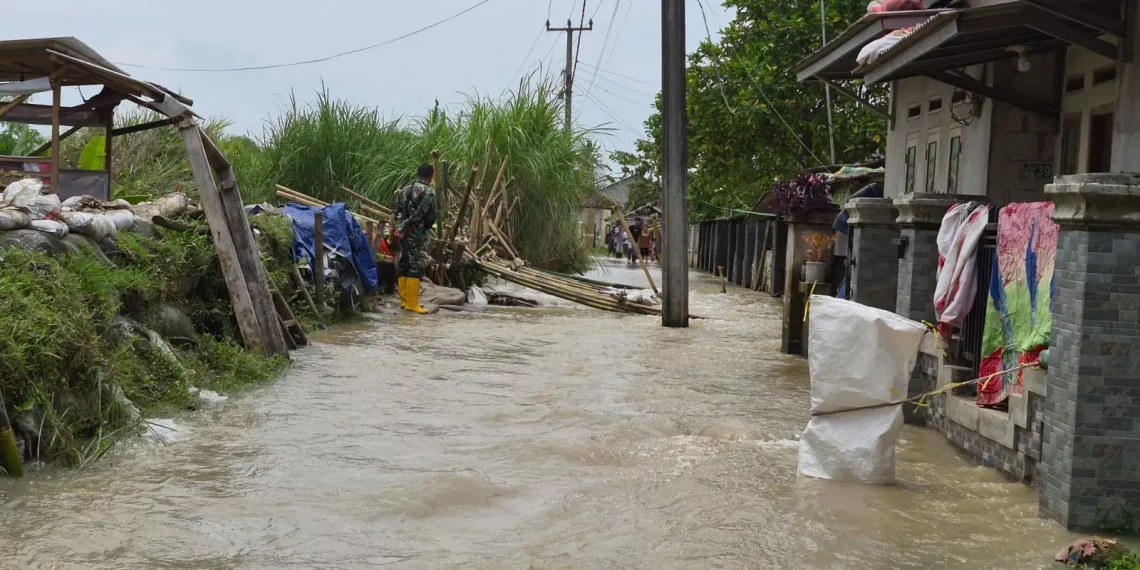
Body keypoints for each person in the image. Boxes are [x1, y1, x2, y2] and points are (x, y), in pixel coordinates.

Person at [393, 163, 437, 314]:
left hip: (402, 233)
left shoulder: (405, 189)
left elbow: (397, 211)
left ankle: (404, 301)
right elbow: (420, 214)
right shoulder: (428, 192)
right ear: (430, 176)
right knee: (416, 266)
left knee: (404, 263)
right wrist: (406, 227)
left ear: (417, 174)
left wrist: (400, 227)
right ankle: (412, 303)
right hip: (416, 234)